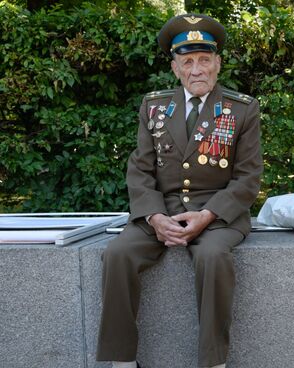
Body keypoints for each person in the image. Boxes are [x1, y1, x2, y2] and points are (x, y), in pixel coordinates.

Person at [96, 13, 263, 368]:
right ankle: (121, 361)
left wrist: (208, 215)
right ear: (175, 68)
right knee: (118, 254)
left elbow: (249, 177)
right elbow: (140, 169)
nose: (197, 69)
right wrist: (154, 216)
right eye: (188, 62)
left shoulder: (242, 110)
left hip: (217, 215)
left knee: (213, 258)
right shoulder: (154, 106)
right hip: (162, 210)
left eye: (205, 60)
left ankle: (213, 362)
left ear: (218, 64)